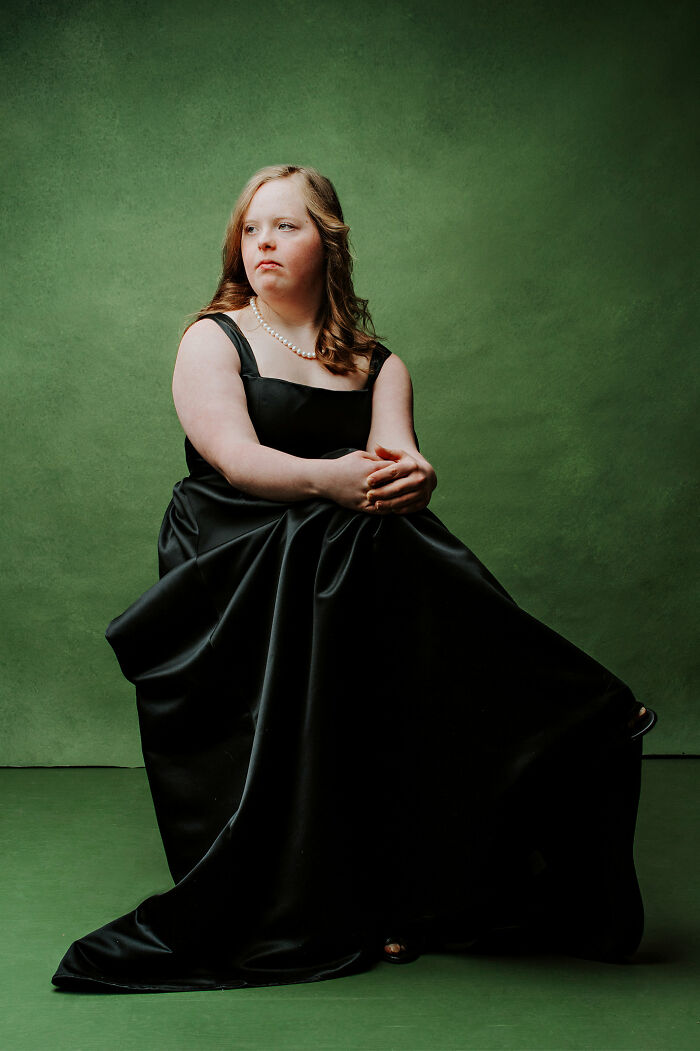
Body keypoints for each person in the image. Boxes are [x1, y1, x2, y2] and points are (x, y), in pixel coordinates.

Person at [52, 164, 657, 993]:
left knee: (382, 535)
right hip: (231, 555)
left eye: (286, 226)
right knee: (360, 535)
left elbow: (393, 461)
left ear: (328, 243)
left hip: (343, 561)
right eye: (251, 228)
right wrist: (336, 479)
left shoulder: (380, 364)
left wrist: (416, 477)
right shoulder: (214, 338)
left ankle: (415, 883)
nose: (263, 242)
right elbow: (238, 462)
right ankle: (572, 698)